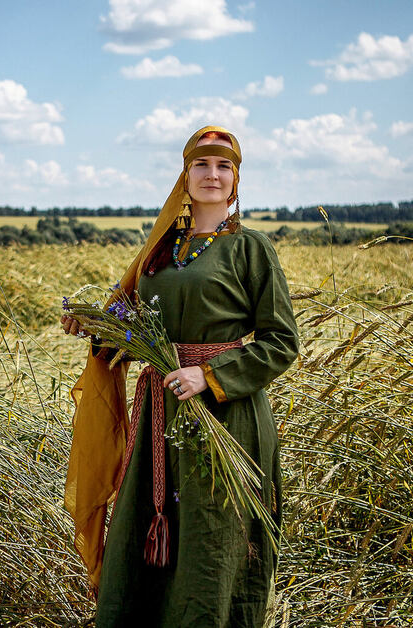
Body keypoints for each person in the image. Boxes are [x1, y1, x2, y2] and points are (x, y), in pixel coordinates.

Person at [61, 126, 299, 626]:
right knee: (143, 535)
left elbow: (281, 343)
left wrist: (208, 375)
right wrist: (96, 326)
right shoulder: (159, 250)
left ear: (235, 181)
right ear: (185, 176)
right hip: (158, 416)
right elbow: (138, 325)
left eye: (224, 167)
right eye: (201, 165)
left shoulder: (251, 249)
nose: (212, 175)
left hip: (226, 420)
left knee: (211, 543)